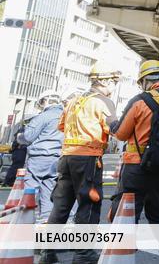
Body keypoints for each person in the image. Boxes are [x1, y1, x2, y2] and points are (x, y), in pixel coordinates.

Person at [111, 60, 159, 264]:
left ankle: (122, 256)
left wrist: (112, 125)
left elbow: (120, 134)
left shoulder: (139, 101)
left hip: (136, 165)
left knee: (127, 212)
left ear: (145, 81)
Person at [43, 63, 120, 264]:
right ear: (102, 81)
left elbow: (61, 126)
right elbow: (115, 129)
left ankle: (48, 252)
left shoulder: (74, 101)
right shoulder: (103, 102)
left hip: (66, 157)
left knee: (61, 204)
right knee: (89, 203)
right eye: (112, 81)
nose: (113, 85)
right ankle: (84, 253)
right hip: (88, 158)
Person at [19, 91, 64, 221]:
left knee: (31, 187)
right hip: (57, 158)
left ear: (45, 101)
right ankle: (45, 220)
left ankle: (25, 218)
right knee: (49, 189)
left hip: (40, 157)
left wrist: (19, 137)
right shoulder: (65, 116)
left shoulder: (43, 116)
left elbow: (28, 136)